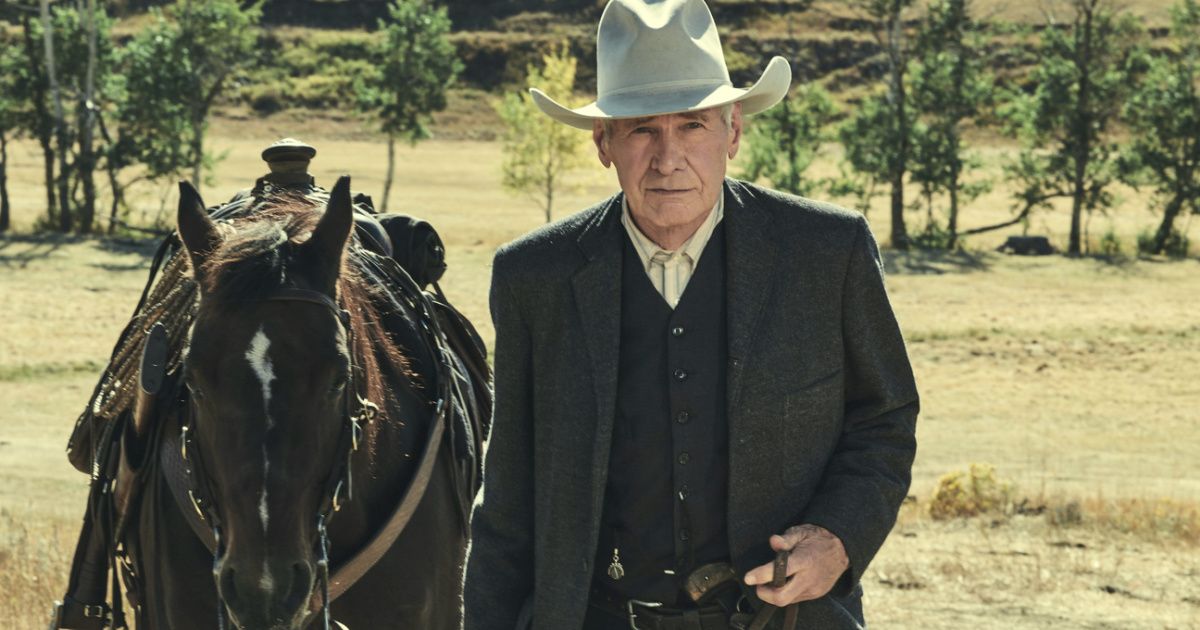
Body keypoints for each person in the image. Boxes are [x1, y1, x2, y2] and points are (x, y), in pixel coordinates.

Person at [462, 0, 918, 628]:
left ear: (733, 132)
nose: (668, 157)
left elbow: (885, 418)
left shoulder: (826, 252)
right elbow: (508, 495)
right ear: (604, 143)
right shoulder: (533, 276)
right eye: (643, 128)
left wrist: (838, 539)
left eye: (693, 126)